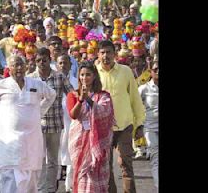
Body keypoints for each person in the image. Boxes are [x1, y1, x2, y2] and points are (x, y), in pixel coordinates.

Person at [0, 55, 56, 193]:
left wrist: (40, 112)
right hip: (10, 144)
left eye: (21, 64)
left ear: (26, 66)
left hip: (31, 142)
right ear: (9, 68)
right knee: (10, 182)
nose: (19, 68)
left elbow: (52, 95)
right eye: (15, 65)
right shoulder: (1, 85)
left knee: (31, 182)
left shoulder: (35, 84)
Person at [95, 41, 145, 193]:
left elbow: (135, 98)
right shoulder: (94, 72)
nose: (106, 56)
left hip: (124, 124)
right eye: (102, 52)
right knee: (106, 166)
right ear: (98, 54)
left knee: (125, 163)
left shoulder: (125, 71)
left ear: (114, 54)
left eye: (108, 52)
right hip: (103, 127)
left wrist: (140, 124)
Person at [27, 47, 74, 193]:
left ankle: (50, 188)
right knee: (39, 160)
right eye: (38, 61)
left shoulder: (59, 77)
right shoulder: (30, 79)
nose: (42, 63)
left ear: (50, 60)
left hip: (55, 124)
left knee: (53, 160)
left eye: (44, 60)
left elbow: (72, 95)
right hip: (36, 126)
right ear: (35, 62)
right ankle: (41, 189)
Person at [66, 61, 115, 193]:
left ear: (94, 76)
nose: (84, 78)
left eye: (88, 74)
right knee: (82, 176)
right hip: (79, 142)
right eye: (82, 75)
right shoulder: (73, 95)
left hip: (98, 144)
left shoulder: (103, 96)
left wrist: (89, 99)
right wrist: (81, 99)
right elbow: (73, 115)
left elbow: (105, 113)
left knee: (96, 178)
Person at [56, 54, 78, 192]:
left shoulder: (76, 82)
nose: (63, 65)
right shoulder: (51, 81)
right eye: (60, 63)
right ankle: (54, 183)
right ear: (57, 65)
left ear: (70, 65)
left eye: (65, 63)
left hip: (72, 123)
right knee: (55, 155)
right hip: (56, 123)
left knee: (71, 154)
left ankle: (69, 186)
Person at [138, 61, 159, 192]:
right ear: (150, 71)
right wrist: (138, 126)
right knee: (155, 157)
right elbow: (136, 107)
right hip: (150, 127)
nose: (158, 72)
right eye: (156, 69)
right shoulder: (144, 89)